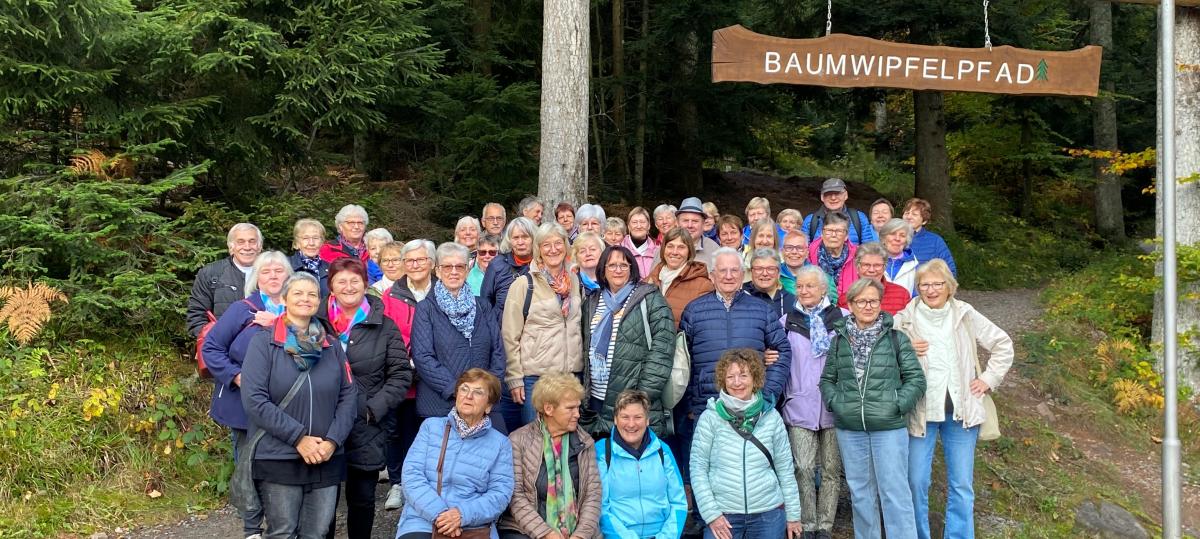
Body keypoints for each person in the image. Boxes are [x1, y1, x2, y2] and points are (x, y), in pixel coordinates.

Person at [893, 259, 1013, 539]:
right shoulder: (905, 318)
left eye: (938, 284)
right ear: (917, 287)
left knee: (961, 484)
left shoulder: (964, 314)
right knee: (915, 481)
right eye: (925, 284)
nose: (931, 290)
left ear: (949, 286)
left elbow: (1003, 344)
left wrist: (988, 379)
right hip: (920, 411)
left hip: (961, 412)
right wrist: (904, 346)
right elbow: (884, 353)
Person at [240, 272, 356, 539]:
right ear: (284, 299)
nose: (306, 299)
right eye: (298, 293)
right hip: (279, 455)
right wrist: (298, 438)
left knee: (318, 532)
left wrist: (333, 441)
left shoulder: (331, 345)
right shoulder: (264, 342)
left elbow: (349, 395)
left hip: (326, 455)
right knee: (283, 532)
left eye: (312, 294)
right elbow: (254, 399)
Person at [820, 278, 925, 539]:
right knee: (860, 493)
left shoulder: (896, 338)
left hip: (888, 428)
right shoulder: (839, 341)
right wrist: (838, 405)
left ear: (880, 304)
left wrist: (896, 405)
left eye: (873, 301)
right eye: (862, 301)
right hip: (850, 429)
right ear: (850, 305)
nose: (868, 306)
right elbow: (827, 380)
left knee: (894, 492)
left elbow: (916, 379)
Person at [677, 248, 791, 482]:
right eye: (722, 271)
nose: (728, 276)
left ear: (742, 274)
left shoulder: (761, 310)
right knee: (706, 472)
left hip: (752, 406)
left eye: (734, 271)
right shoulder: (694, 311)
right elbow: (682, 361)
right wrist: (689, 403)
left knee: (750, 473)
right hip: (707, 406)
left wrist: (767, 394)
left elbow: (782, 351)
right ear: (712, 275)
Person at [317, 258, 412, 539]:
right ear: (331, 286)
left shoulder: (384, 325)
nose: (348, 287)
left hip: (366, 424)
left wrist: (374, 409)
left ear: (365, 284)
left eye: (354, 281)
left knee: (361, 499)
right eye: (341, 281)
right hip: (322, 423)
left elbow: (400, 374)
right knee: (323, 502)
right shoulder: (315, 322)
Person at [202, 251, 291, 538]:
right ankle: (252, 526)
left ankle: (282, 524)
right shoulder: (242, 310)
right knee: (247, 463)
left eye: (279, 270)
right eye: (266, 271)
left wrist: (277, 324)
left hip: (288, 404)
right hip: (243, 404)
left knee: (282, 464)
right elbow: (211, 348)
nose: (273, 276)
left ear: (288, 276)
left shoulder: (299, 307)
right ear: (256, 278)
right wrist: (237, 376)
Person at [690, 349, 803, 539]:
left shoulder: (771, 417)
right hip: (724, 515)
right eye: (730, 376)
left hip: (768, 514)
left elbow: (785, 468)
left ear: (755, 378)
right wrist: (711, 514)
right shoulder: (710, 418)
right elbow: (698, 468)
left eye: (743, 375)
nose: (737, 382)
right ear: (723, 380)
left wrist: (793, 516)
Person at [395, 369, 515, 539]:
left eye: (478, 392)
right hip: (423, 519)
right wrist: (441, 515)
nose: (469, 396)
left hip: (474, 525)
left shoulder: (500, 443)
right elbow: (411, 476)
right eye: (464, 389)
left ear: (489, 406)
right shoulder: (430, 427)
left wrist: (461, 515)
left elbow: (500, 494)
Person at [580, 246, 676, 439]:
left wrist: (641, 397)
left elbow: (662, 351)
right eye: (612, 265)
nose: (618, 270)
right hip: (596, 403)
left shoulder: (650, 298)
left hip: (634, 405)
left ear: (632, 269)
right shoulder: (592, 301)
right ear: (603, 270)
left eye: (624, 265)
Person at [781, 265, 846, 539]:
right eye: (800, 286)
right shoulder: (786, 321)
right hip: (799, 404)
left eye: (810, 286)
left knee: (831, 470)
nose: (804, 291)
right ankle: (807, 524)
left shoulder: (842, 319)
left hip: (834, 405)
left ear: (823, 289)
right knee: (803, 467)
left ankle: (825, 526)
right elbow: (777, 358)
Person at [498, 374, 602, 539]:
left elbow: (593, 495)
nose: (577, 414)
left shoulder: (585, 442)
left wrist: (580, 536)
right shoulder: (518, 440)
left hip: (576, 531)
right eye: (570, 408)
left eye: (578, 407)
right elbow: (515, 496)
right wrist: (546, 533)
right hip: (525, 530)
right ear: (548, 409)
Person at [411, 243, 507, 421]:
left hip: (483, 404)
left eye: (460, 267)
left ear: (467, 270)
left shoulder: (483, 306)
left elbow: (498, 351)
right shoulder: (426, 308)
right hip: (440, 405)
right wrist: (457, 390)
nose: (454, 272)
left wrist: (487, 389)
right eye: (447, 266)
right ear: (438, 271)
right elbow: (422, 356)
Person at [502, 223, 584, 428]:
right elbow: (510, 335)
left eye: (558, 243)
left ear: (566, 246)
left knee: (567, 436)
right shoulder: (524, 284)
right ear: (538, 249)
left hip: (571, 376)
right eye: (546, 245)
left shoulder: (575, 281)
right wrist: (514, 377)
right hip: (536, 378)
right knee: (536, 439)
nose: (553, 249)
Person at [380, 240, 437, 511]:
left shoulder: (441, 291)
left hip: (434, 376)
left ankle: (428, 483)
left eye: (421, 260)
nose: (415, 265)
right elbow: (386, 335)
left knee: (429, 430)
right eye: (410, 260)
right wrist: (405, 361)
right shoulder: (391, 295)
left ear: (432, 263)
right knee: (397, 431)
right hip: (401, 375)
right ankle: (398, 482)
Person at [595, 390, 688, 539]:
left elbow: (679, 502)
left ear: (647, 420)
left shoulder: (662, 450)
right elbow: (601, 508)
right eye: (625, 417)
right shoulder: (602, 452)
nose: (631, 424)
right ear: (616, 419)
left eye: (638, 417)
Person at [187, 223, 262, 337]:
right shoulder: (211, 273)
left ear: (259, 246)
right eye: (240, 242)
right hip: (221, 344)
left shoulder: (273, 273)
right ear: (231, 247)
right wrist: (213, 340)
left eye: (252, 241)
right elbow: (196, 314)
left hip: (261, 344)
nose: (247, 247)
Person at [644, 228, 714, 328]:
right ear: (663, 249)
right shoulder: (648, 280)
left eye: (681, 247)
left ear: (689, 251)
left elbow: (705, 327)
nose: (675, 252)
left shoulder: (703, 285)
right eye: (670, 246)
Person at [480, 217, 537, 318]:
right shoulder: (496, 265)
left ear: (534, 239)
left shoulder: (542, 264)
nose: (520, 242)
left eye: (525, 237)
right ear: (509, 240)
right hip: (501, 325)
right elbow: (485, 302)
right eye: (515, 238)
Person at [839, 242, 912, 315]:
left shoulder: (902, 295)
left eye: (877, 265)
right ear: (857, 267)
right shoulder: (845, 298)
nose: (871, 270)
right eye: (866, 265)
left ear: (884, 267)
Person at [802, 178, 879, 246]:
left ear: (846, 195)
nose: (833, 198)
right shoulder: (810, 221)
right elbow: (804, 250)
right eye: (828, 194)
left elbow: (869, 249)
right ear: (822, 197)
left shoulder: (859, 218)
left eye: (837, 193)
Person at [319, 204, 383, 284]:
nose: (356, 226)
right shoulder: (328, 249)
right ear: (341, 226)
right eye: (351, 223)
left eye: (360, 223)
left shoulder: (374, 249)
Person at [807, 212, 859, 302]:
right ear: (822, 233)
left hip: (849, 305)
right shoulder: (809, 253)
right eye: (829, 231)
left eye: (839, 231)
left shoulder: (857, 255)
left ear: (846, 235)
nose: (833, 235)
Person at [902, 198, 957, 277]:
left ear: (924, 221)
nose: (909, 216)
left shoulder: (935, 241)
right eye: (907, 213)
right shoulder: (891, 237)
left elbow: (950, 271)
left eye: (914, 214)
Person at [743, 248, 796, 319]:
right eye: (759, 269)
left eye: (770, 269)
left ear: (778, 273)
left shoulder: (792, 301)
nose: (765, 273)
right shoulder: (740, 296)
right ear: (752, 272)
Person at [673, 197, 721, 269]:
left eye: (695, 221)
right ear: (677, 223)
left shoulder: (714, 250)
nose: (690, 225)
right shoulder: (666, 248)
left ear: (703, 224)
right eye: (685, 220)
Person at [291, 218, 331, 299]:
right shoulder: (287, 266)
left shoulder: (331, 268)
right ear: (297, 243)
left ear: (322, 242)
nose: (311, 243)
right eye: (305, 238)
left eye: (316, 238)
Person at [879, 218, 919, 296]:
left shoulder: (915, 266)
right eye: (893, 234)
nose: (897, 239)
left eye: (902, 235)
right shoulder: (872, 262)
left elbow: (916, 296)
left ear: (907, 240)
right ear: (883, 238)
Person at [622, 206, 659, 277]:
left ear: (649, 226)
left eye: (642, 222)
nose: (638, 226)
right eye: (634, 222)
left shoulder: (658, 252)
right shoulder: (618, 250)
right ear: (628, 226)